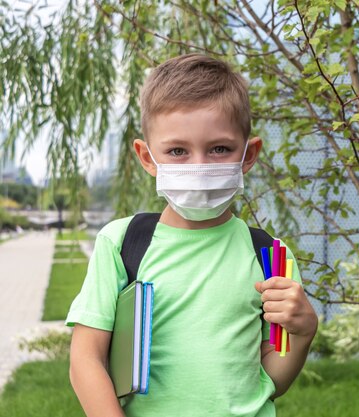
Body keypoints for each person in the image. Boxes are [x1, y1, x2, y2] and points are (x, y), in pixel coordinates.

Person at [65, 53, 318, 417]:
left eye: (219, 149)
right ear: (147, 156)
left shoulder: (271, 256)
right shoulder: (122, 244)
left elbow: (269, 382)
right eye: (178, 151)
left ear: (248, 154)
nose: (199, 166)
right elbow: (85, 360)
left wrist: (303, 333)